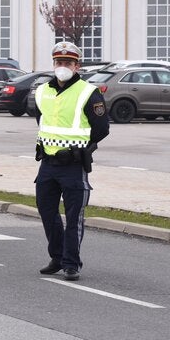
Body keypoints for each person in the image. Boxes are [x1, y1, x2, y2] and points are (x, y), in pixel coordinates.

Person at [32, 41, 110, 281]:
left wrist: (81, 149)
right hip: (48, 163)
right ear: (53, 64)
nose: (62, 66)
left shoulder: (88, 92)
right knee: (46, 211)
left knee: (74, 216)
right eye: (59, 62)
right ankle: (57, 257)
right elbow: (41, 119)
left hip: (73, 165)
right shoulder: (42, 90)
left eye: (68, 63)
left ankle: (71, 263)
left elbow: (101, 128)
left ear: (77, 66)